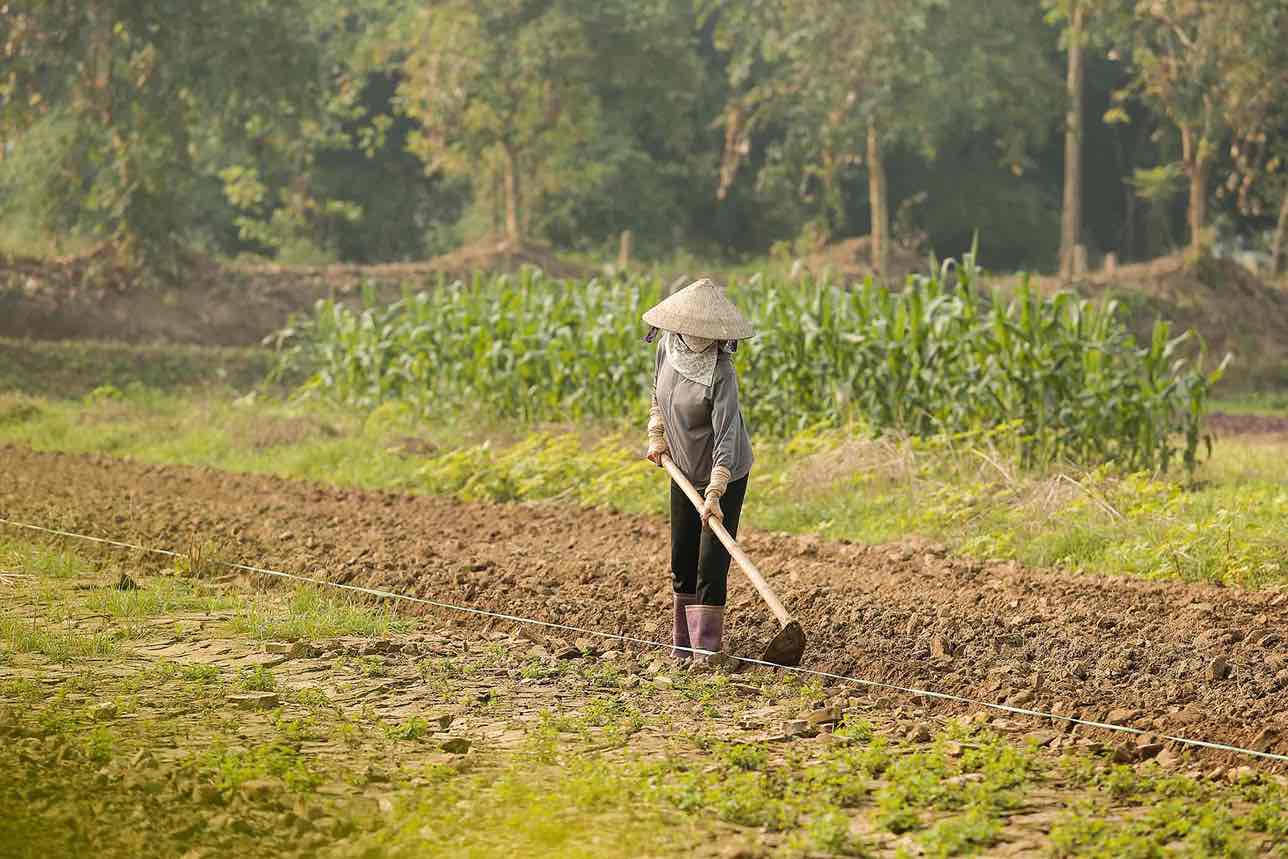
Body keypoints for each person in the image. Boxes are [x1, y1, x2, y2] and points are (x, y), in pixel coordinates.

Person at [641, 277, 754, 665]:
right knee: (682, 556)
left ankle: (706, 653)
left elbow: (727, 434)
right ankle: (682, 648)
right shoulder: (666, 350)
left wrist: (716, 492)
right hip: (684, 469)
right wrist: (657, 434)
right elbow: (657, 395)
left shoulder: (721, 371)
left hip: (723, 471)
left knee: (710, 563)